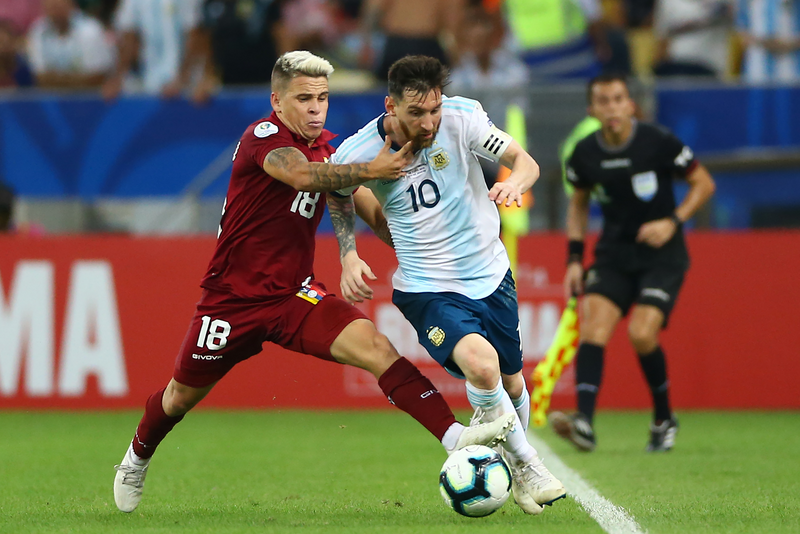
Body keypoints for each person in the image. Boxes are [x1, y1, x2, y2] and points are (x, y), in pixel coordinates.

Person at [112, 50, 516, 514]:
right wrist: (371, 170)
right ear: (277, 102)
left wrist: (417, 247)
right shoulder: (264, 137)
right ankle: (137, 456)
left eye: (322, 98)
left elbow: (377, 215)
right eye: (303, 98)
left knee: (376, 348)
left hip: (294, 295)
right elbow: (302, 176)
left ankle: (453, 436)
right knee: (180, 397)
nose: (314, 108)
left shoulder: (333, 151)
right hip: (232, 301)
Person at [328, 55, 566, 516]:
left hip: (491, 274)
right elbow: (337, 193)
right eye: (416, 113)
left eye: (434, 109)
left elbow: (524, 161)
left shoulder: (464, 118)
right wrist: (348, 254)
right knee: (483, 366)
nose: (429, 121)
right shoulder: (356, 152)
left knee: (512, 383)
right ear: (390, 105)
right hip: (427, 286)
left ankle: (514, 470)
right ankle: (530, 465)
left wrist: (515, 181)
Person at [550, 73, 716, 452]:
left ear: (630, 105)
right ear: (592, 110)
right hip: (614, 254)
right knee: (594, 325)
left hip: (663, 255)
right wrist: (574, 259)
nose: (611, 108)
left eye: (617, 99)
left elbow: (703, 183)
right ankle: (585, 424)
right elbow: (578, 204)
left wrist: (672, 222)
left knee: (642, 334)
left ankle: (663, 418)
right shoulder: (585, 153)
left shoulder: (658, 142)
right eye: (603, 101)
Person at [102, 0, 206, 99]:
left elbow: (196, 37)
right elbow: (129, 39)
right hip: (148, 82)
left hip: (185, 87)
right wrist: (117, 79)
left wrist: (182, 78)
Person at [26, 0, 114, 89]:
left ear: (71, 4)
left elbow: (97, 77)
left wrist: (56, 79)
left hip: (89, 98)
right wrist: (75, 80)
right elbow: (39, 77)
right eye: (51, 6)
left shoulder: (91, 30)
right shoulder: (37, 31)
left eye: (59, 5)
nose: (56, 10)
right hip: (52, 99)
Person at [737, 0, 800, 83]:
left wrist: (787, 45)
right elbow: (741, 31)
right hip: (757, 73)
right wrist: (768, 43)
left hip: (792, 73)